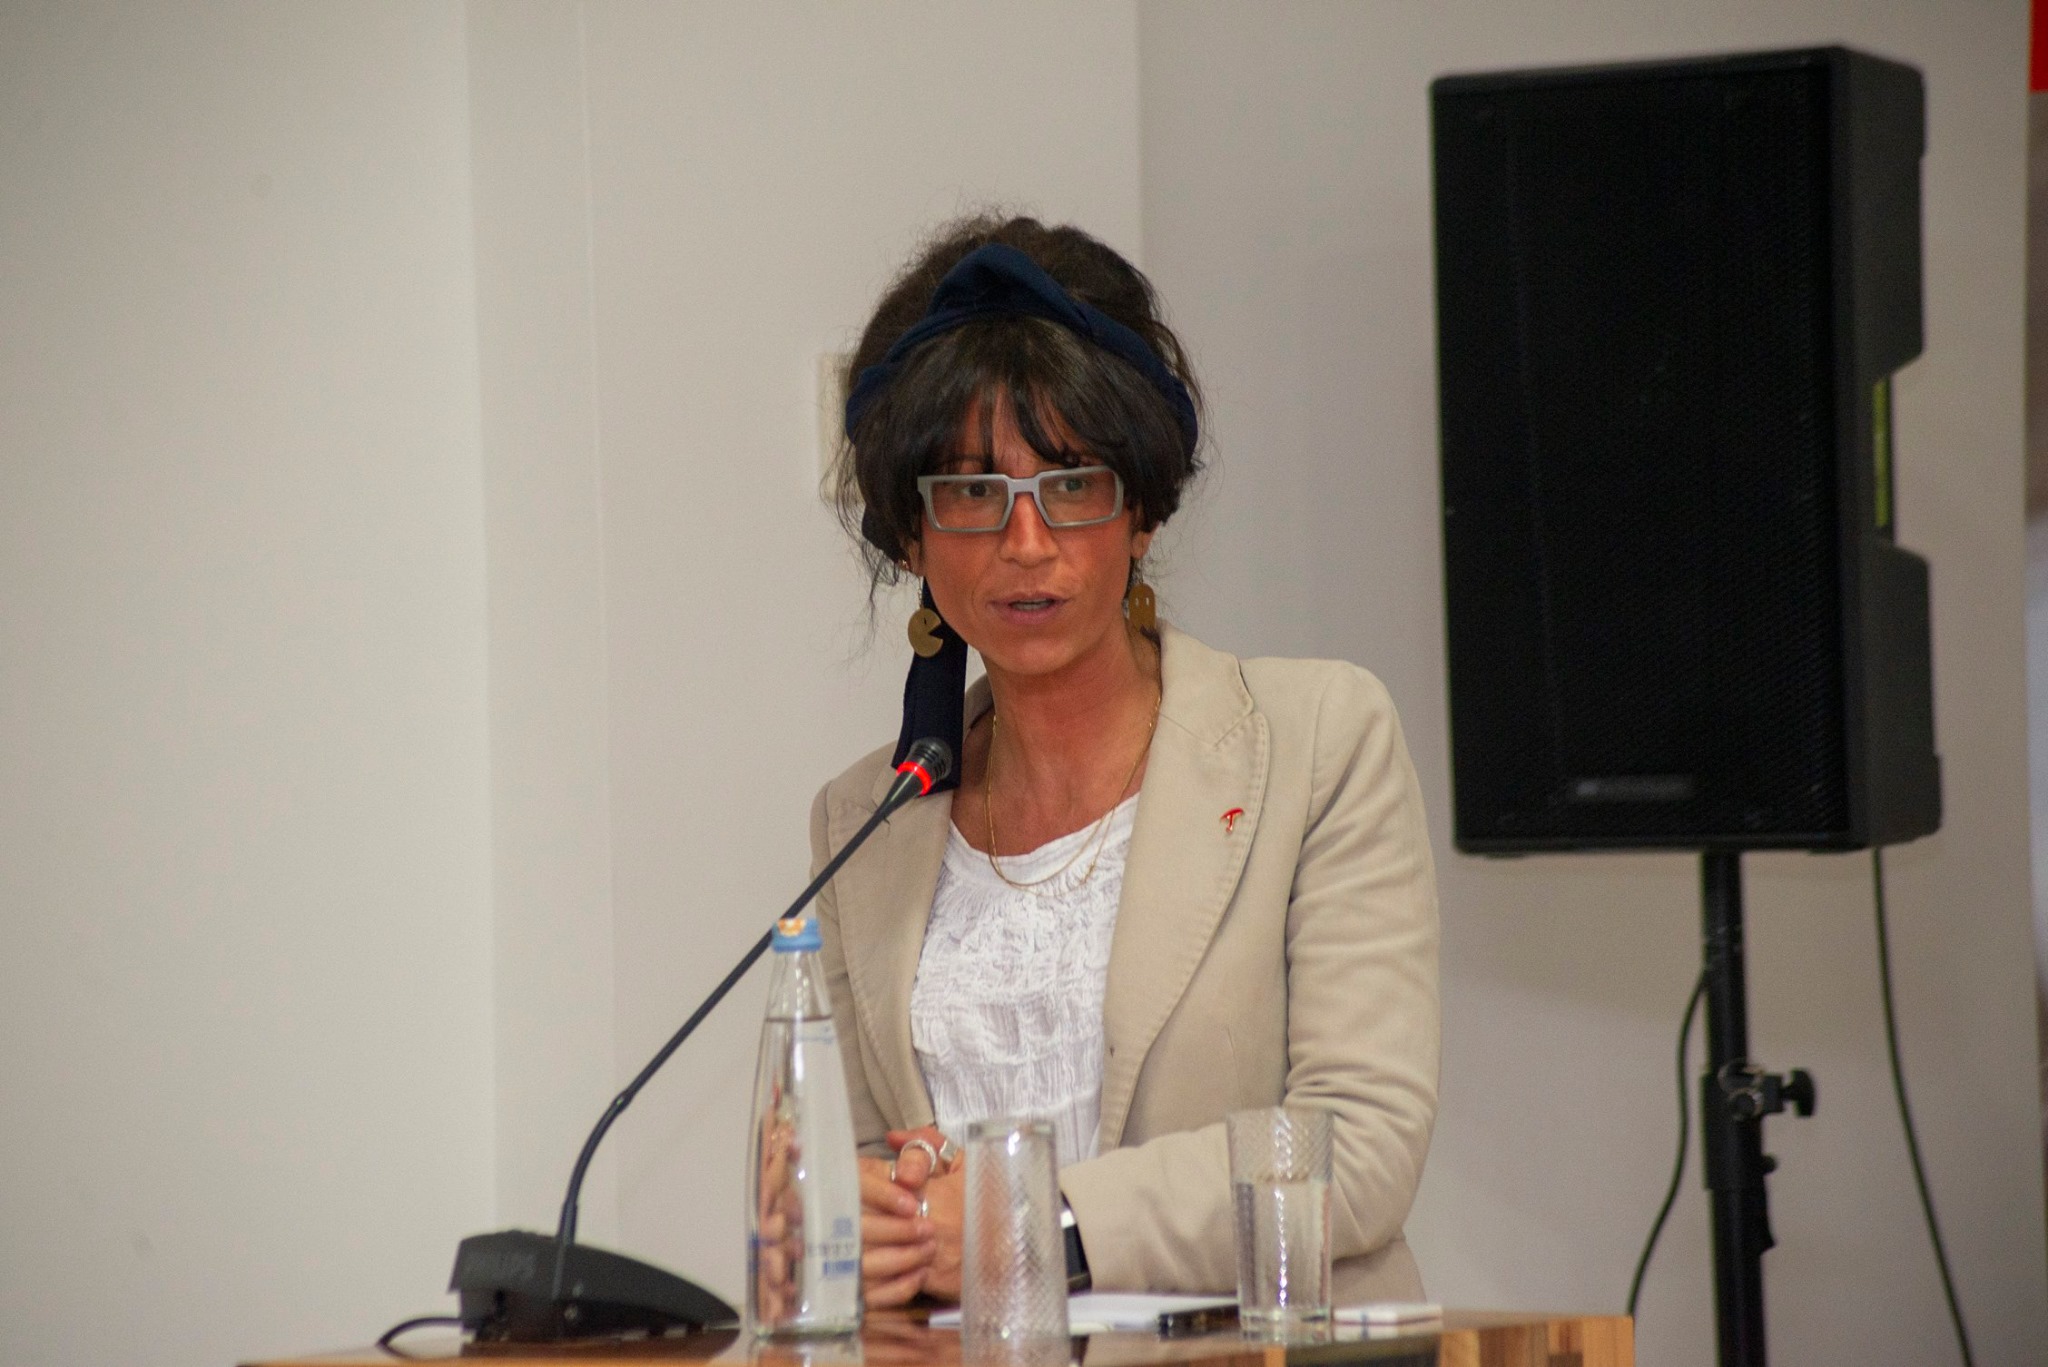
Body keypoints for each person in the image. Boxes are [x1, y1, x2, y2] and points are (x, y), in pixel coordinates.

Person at [809, 215, 1439, 1308]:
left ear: (1140, 510)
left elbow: (1359, 1144)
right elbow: (876, 1174)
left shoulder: (1319, 739)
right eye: (971, 491)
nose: (1026, 544)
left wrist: (1032, 1222)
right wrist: (849, 1217)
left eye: (1071, 482)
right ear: (912, 536)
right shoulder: (864, 816)